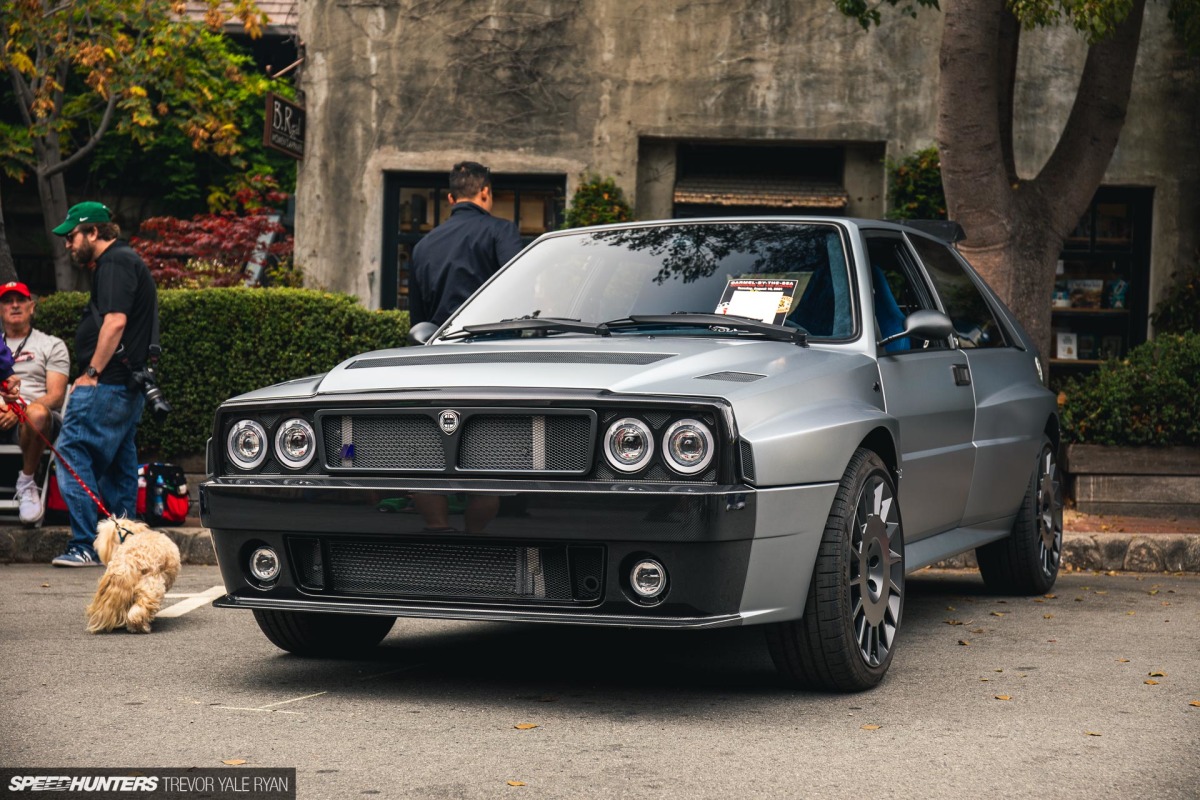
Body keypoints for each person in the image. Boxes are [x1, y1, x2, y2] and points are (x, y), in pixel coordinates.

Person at [49, 201, 159, 567]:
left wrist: (90, 373)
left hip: (107, 384)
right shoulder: (128, 261)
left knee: (70, 453)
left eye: (72, 235)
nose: (68, 244)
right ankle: (122, 546)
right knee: (118, 465)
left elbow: (114, 322)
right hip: (126, 386)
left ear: (94, 232)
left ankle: (84, 543)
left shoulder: (113, 263)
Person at [408, 161, 524, 326]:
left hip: (440, 346)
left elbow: (418, 323)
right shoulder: (501, 230)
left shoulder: (422, 246)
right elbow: (519, 287)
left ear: (451, 199)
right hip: (491, 342)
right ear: (484, 192)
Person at [0, 282, 70, 524]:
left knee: (37, 413)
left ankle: (27, 482)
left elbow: (56, 395)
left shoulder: (51, 344)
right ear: (0, 309)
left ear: (32, 307)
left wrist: (18, 410)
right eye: (8, 301)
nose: (15, 305)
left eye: (20, 300)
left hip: (36, 420)